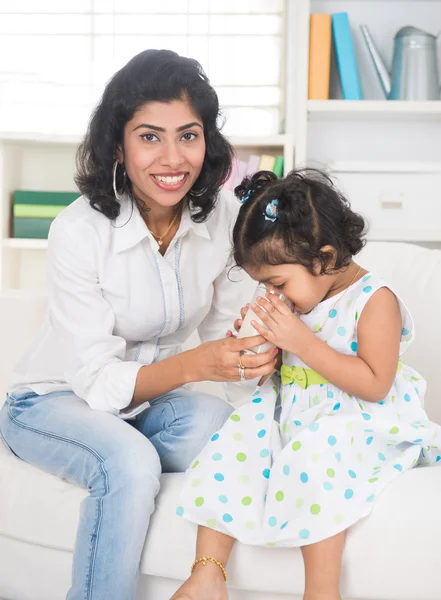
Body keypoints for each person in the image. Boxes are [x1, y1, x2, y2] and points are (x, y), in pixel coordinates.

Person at [0, 50, 277, 600]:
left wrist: (257, 360)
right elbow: (100, 384)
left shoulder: (221, 217)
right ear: (119, 147)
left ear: (208, 141)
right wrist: (199, 362)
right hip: (54, 402)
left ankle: (207, 579)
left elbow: (229, 341)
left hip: (147, 407)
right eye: (150, 137)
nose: (173, 158)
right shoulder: (79, 231)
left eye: (188, 135)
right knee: (127, 462)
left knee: (235, 432)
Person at [174, 169, 441, 600]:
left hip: (360, 419)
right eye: (265, 285)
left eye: (277, 283)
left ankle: (320, 591)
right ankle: (208, 573)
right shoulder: (303, 296)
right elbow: (279, 375)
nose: (272, 294)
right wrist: (258, 351)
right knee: (234, 438)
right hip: (295, 410)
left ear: (324, 258)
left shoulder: (376, 301)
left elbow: (374, 384)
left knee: (313, 453)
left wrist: (301, 340)